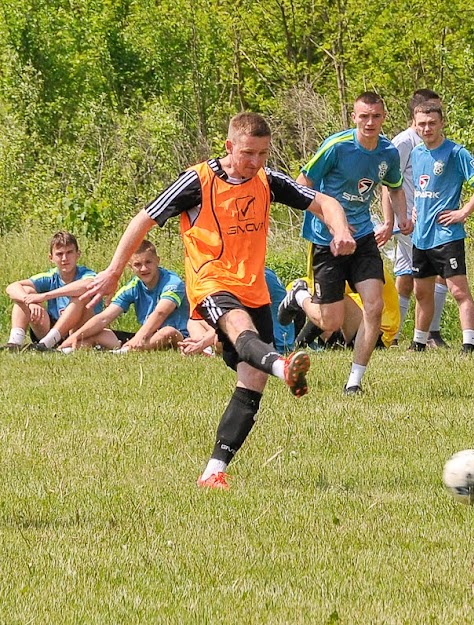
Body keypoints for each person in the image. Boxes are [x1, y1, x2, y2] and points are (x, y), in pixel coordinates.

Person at [84, 111, 355, 490]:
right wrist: (113, 271)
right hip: (211, 283)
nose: (256, 163)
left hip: (254, 289)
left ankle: (214, 471)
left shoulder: (267, 180)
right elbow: (142, 220)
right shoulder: (197, 181)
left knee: (250, 378)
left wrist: (340, 230)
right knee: (242, 333)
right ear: (229, 146)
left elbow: (325, 203)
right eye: (248, 154)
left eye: (263, 154)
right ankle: (283, 366)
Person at [278, 91, 411, 395]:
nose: (370, 122)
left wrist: (399, 219)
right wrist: (332, 222)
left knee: (374, 306)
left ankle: (354, 382)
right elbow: (302, 184)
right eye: (364, 116)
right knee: (330, 320)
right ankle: (299, 296)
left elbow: (394, 188)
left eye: (376, 116)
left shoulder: (388, 153)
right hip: (326, 239)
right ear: (354, 117)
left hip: (363, 236)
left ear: (384, 118)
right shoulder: (337, 147)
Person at [406, 102, 474, 354]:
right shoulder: (416, 153)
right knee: (421, 292)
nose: (427, 128)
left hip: (447, 236)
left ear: (442, 123)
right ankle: (418, 343)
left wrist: (464, 211)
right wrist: (415, 210)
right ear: (415, 124)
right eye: (421, 123)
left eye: (432, 123)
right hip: (421, 236)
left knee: (458, 291)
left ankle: (468, 346)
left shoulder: (456, 152)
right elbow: (422, 188)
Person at [386, 89, 451, 348]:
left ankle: (398, 334)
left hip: (432, 220)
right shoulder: (404, 142)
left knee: (409, 276)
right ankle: (423, 334)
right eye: (427, 114)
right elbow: (388, 183)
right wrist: (392, 221)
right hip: (411, 220)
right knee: (428, 274)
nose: (431, 121)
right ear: (415, 115)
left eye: (436, 115)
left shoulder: (436, 143)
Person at [59, 240, 188, 352]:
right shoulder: (133, 286)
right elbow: (104, 317)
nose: (144, 268)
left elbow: (161, 313)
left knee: (167, 332)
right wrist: (74, 337)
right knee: (92, 335)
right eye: (138, 264)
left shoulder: (173, 282)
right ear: (130, 267)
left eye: (148, 262)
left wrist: (139, 338)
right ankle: (65, 351)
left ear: (157, 261)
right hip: (146, 336)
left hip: (177, 337)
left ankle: (127, 351)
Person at [3, 231, 101, 351]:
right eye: (59, 254)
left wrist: (44, 296)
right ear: (51, 258)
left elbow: (89, 285)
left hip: (78, 330)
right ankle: (14, 343)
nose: (65, 258)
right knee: (26, 291)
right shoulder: (50, 276)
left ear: (78, 254)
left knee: (82, 297)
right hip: (49, 329)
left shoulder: (86, 274)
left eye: (69, 252)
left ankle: (47, 344)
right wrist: (29, 301)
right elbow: (11, 287)